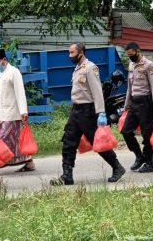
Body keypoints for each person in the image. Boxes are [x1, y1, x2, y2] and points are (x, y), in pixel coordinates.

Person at [50, 43, 126, 185]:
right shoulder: (77, 69)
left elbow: (97, 92)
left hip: (88, 112)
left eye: (72, 53)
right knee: (68, 142)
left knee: (97, 142)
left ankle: (117, 167)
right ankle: (67, 175)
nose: (70, 56)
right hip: (76, 111)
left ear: (81, 53)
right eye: (69, 52)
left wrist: (101, 113)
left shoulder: (90, 68)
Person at [0, 49, 35, 175]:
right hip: (2, 114)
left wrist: (24, 111)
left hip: (12, 113)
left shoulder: (14, 72)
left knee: (1, 138)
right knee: (15, 141)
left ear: (4, 59)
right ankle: (28, 162)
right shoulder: (0, 74)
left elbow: (20, 92)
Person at [121, 42, 153, 173]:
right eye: (128, 55)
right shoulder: (131, 65)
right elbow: (129, 87)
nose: (130, 57)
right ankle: (139, 156)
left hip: (145, 103)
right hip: (134, 102)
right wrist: (126, 105)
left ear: (138, 51)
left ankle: (150, 163)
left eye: (132, 55)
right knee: (126, 131)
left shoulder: (148, 65)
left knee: (147, 134)